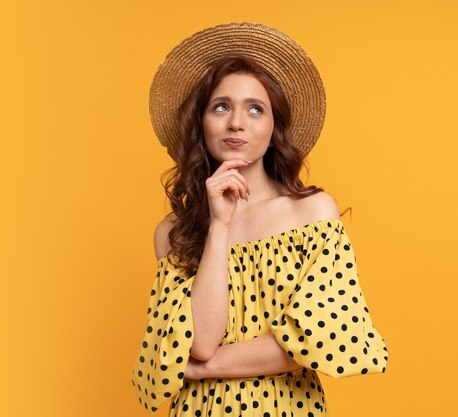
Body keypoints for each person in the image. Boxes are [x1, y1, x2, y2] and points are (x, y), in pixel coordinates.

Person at [132, 22, 389, 416]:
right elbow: (201, 340)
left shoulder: (312, 213)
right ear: (201, 122)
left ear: (274, 127)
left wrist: (206, 368)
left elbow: (313, 342)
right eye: (221, 107)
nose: (237, 123)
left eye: (256, 109)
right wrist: (218, 225)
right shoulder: (173, 233)